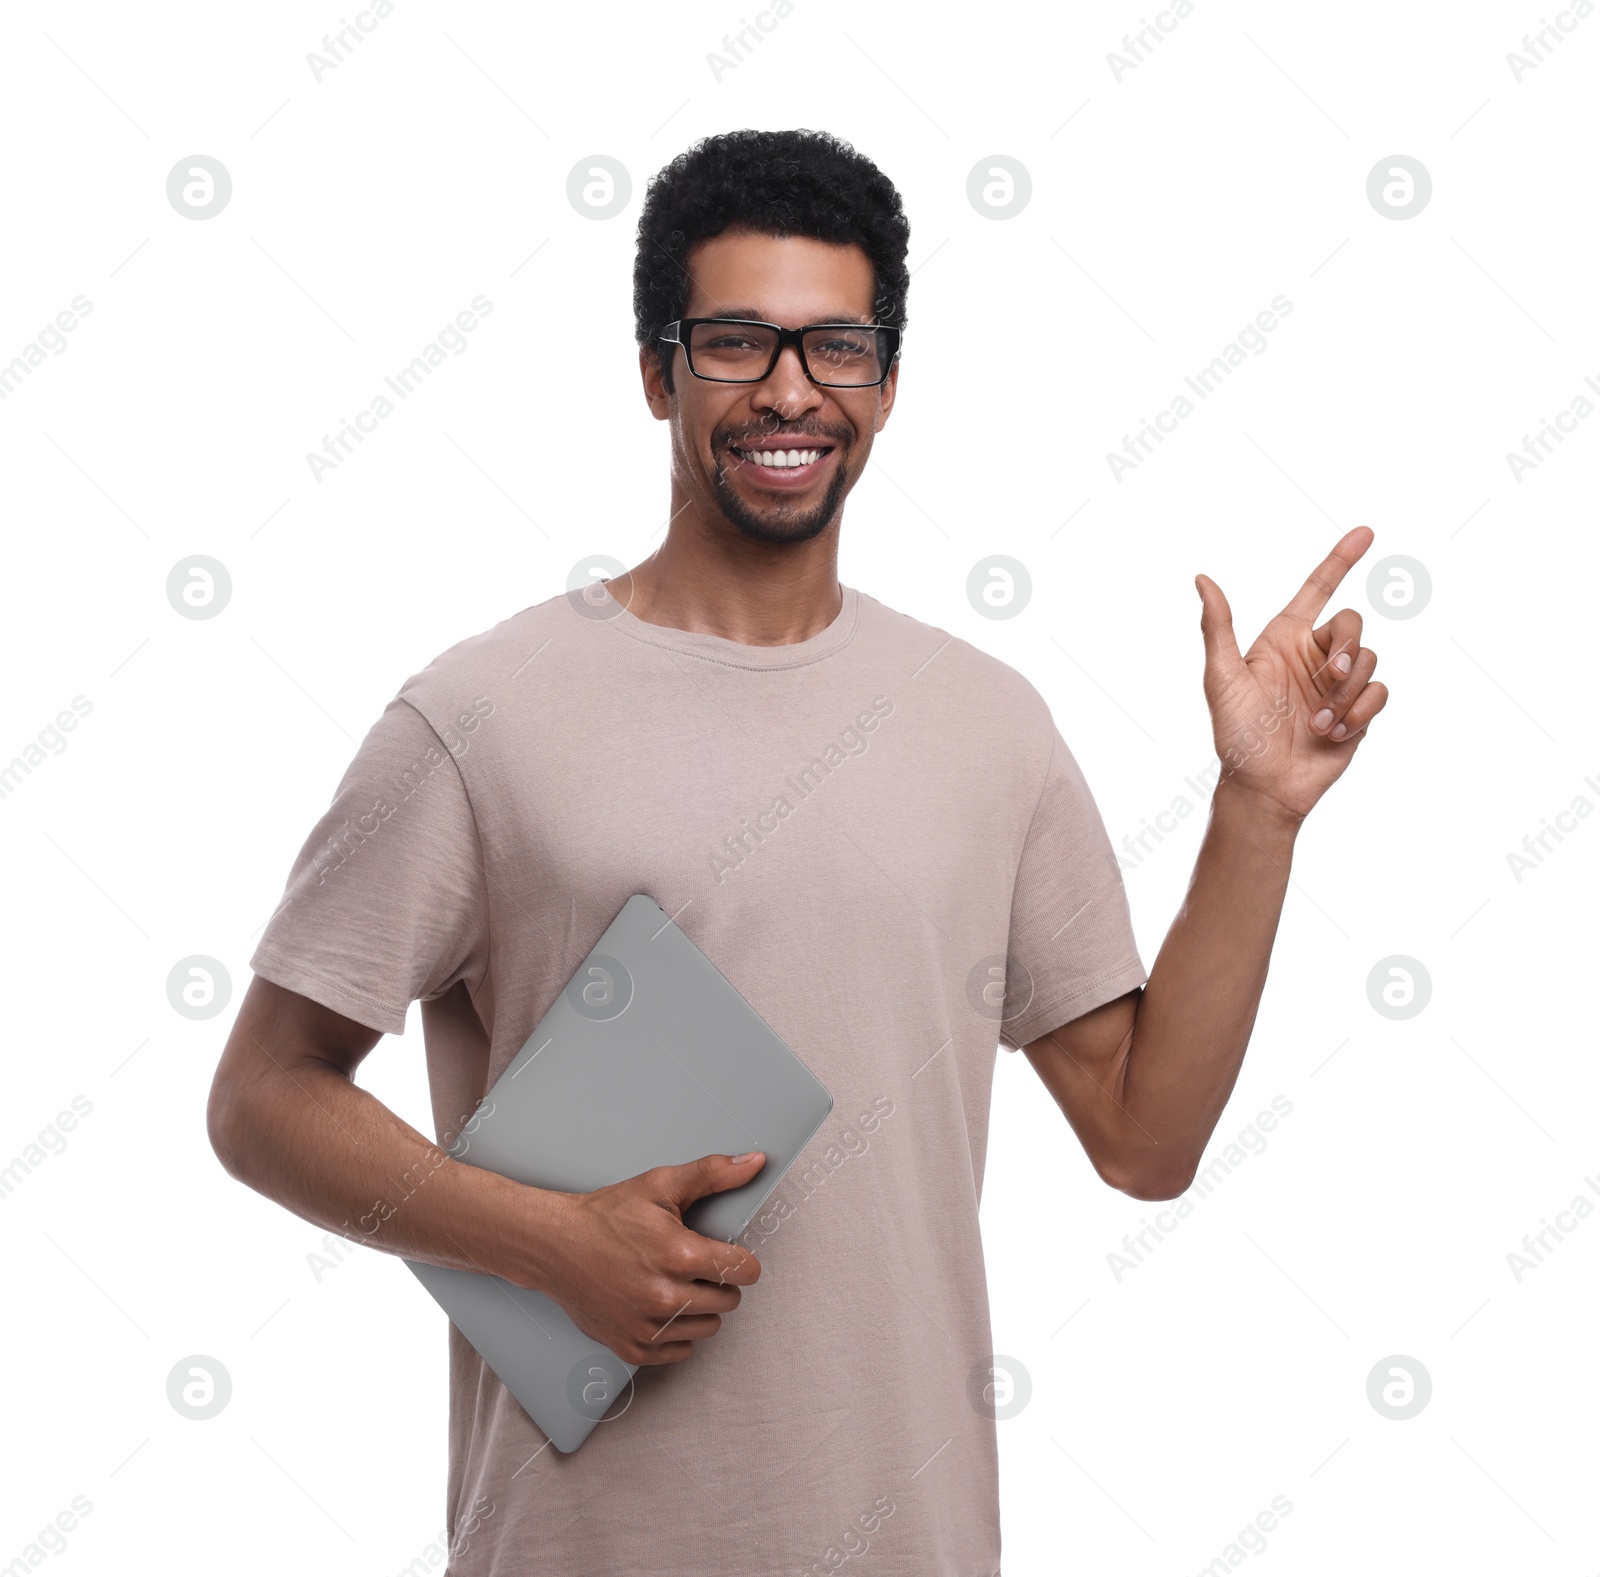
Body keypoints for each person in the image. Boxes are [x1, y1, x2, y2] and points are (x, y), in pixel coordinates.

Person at [207, 127, 1388, 1577]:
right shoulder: (479, 716)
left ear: (887, 383)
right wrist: (549, 1242)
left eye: (836, 347)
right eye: (736, 343)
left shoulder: (986, 726)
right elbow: (261, 1095)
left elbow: (1146, 1137)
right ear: (657, 372)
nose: (788, 391)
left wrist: (1256, 812)